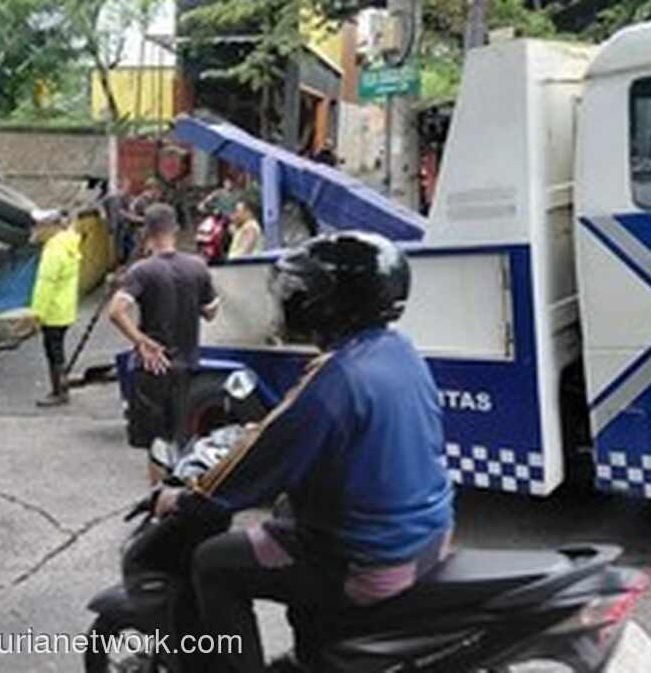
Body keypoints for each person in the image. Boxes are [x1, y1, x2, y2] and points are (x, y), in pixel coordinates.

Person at [153, 232, 454, 673]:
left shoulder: (337, 380)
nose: (297, 300)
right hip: (427, 534)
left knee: (212, 562)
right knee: (288, 529)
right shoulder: (398, 351)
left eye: (307, 290)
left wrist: (185, 498)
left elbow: (256, 468)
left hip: (370, 557)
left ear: (334, 301)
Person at [108, 203, 220, 477]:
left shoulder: (142, 271)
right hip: (188, 368)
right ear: (176, 230)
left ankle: (159, 499)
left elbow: (116, 311)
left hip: (154, 369)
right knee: (181, 441)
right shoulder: (197, 267)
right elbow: (211, 311)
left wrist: (141, 340)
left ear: (147, 232)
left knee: (157, 446)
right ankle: (178, 496)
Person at [30, 209, 82, 407]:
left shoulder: (53, 251)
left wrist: (36, 315)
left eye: (40, 226)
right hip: (64, 308)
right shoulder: (69, 244)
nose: (37, 230)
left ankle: (59, 391)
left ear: (50, 227)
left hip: (52, 311)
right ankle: (61, 388)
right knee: (57, 350)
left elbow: (45, 285)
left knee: (53, 352)